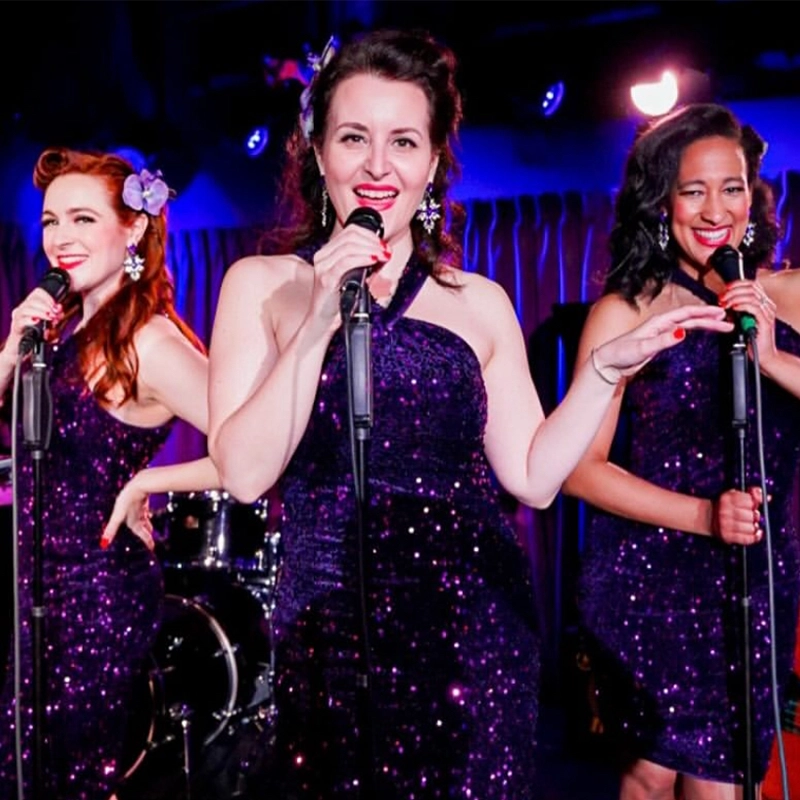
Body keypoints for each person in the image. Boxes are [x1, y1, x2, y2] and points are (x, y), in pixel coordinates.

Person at [207, 31, 732, 799]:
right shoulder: (261, 285)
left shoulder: (478, 301)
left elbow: (534, 478)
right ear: (318, 153)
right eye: (354, 137)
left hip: (473, 637)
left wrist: (599, 374)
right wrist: (320, 315)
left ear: (432, 164)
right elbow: (247, 474)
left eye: (404, 141)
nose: (378, 165)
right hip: (328, 637)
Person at [562, 103, 800, 799]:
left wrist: (773, 359)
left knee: (728, 777)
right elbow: (579, 469)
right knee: (655, 773)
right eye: (692, 190)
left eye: (731, 187)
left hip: (756, 576)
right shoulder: (629, 310)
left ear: (753, 195)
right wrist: (704, 516)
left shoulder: (786, 296)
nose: (714, 208)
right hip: (652, 576)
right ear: (661, 202)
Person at [0, 148, 220, 800]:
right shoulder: (64, 331)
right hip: (35, 584)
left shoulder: (148, 340)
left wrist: (145, 483)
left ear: (132, 229)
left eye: (82, 219)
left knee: (66, 776)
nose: (61, 239)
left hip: (94, 593)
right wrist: (13, 348)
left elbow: (257, 451)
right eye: (49, 222)